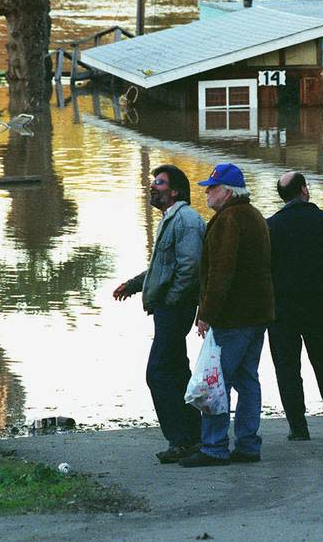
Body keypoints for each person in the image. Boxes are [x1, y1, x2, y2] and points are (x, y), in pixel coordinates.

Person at [179, 163, 275, 467]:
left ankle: (214, 446)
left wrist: (205, 313)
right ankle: (248, 444)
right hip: (258, 314)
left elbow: (221, 272)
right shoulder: (255, 215)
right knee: (247, 380)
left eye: (212, 187)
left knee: (215, 381)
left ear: (228, 191)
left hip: (233, 317)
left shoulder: (228, 220)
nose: (207, 193)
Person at [112, 164, 206, 464]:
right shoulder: (170, 219)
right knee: (177, 373)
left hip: (174, 310)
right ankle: (195, 436)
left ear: (175, 190)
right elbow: (162, 268)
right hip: (168, 308)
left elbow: (190, 268)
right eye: (153, 182)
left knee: (158, 373)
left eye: (160, 183)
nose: (153, 186)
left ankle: (180, 440)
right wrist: (135, 284)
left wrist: (172, 300)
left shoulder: (187, 220)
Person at [267, 171, 323, 440]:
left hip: (281, 310)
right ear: (304, 189)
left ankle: (298, 427)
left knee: (287, 368)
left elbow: (262, 271)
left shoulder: (270, 227)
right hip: (318, 306)